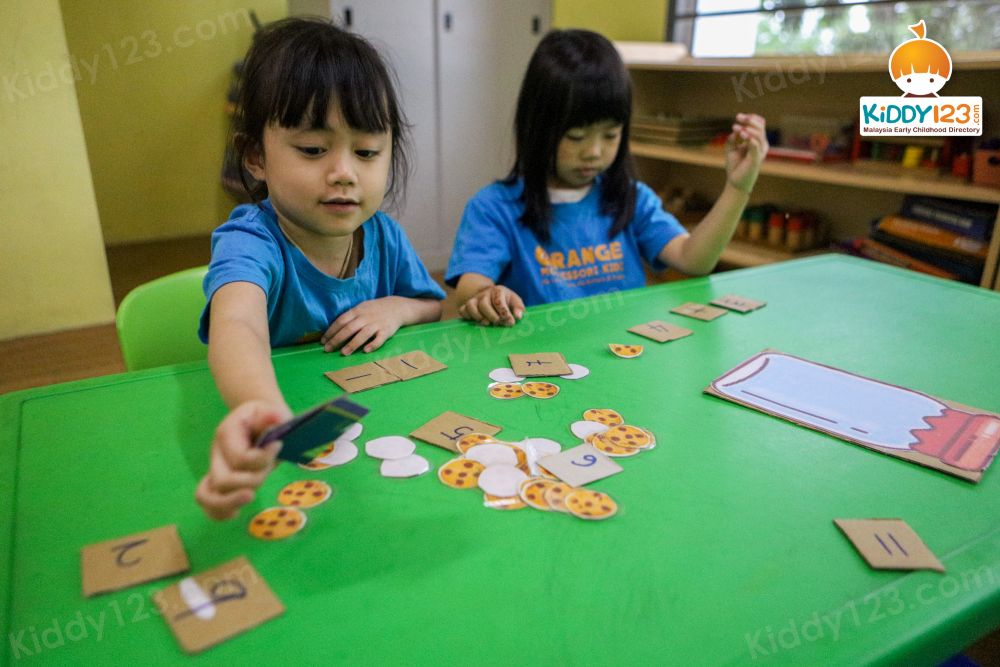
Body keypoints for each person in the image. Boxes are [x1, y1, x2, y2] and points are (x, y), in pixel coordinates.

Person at [195, 17, 444, 520]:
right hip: (285, 449)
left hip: (376, 444)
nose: (344, 173)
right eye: (312, 149)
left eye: (368, 151)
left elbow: (435, 306)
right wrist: (257, 407)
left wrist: (399, 308)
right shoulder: (251, 241)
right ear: (255, 158)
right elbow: (238, 323)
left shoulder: (384, 237)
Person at [446, 29, 768, 326]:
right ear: (537, 128)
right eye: (576, 136)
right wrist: (486, 297)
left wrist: (738, 188)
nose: (594, 152)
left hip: (623, 362)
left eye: (611, 135)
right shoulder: (493, 208)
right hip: (542, 371)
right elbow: (470, 288)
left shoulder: (630, 197)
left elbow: (692, 259)